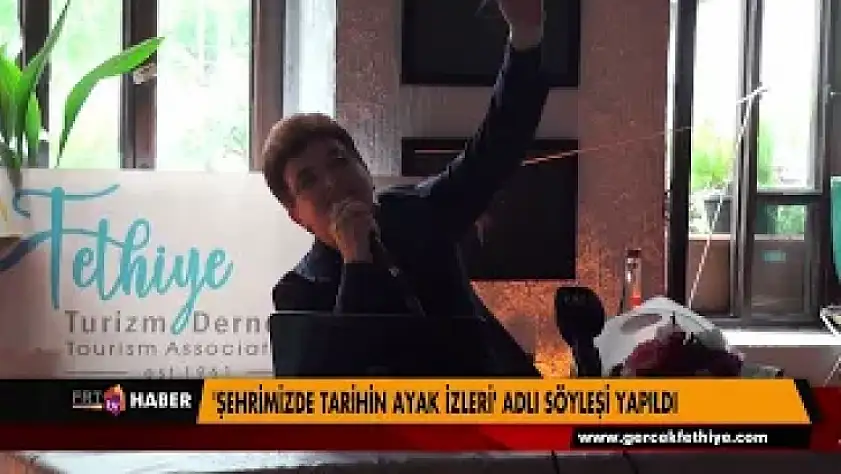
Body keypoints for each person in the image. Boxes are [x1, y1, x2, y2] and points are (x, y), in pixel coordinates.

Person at [262, 0, 549, 376]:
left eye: (339, 161)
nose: (333, 182)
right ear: (297, 216)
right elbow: (339, 390)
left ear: (364, 169)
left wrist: (526, 36)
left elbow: (494, 152)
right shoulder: (299, 293)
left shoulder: (418, 212)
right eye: (308, 181)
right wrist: (357, 262)